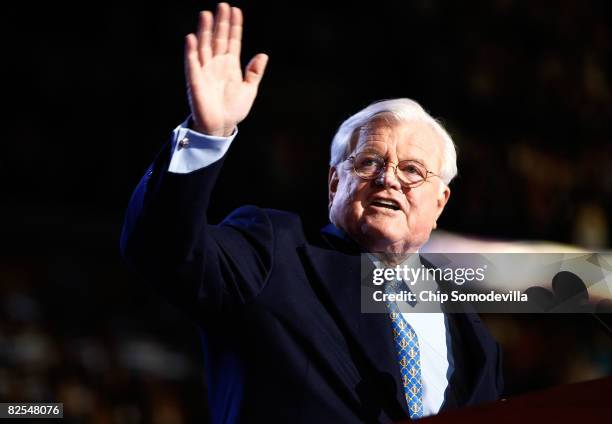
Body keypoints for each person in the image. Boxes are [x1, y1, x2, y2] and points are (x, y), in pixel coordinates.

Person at [120, 3, 503, 423]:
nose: (388, 179)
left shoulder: (470, 329)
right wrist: (205, 135)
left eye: (412, 170)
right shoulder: (273, 250)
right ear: (335, 183)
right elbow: (161, 248)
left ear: (440, 203)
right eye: (369, 162)